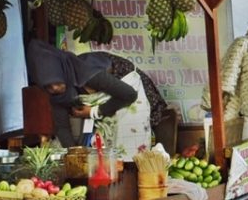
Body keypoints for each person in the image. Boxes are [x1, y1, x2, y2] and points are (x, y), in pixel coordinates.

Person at [25, 40, 169, 147]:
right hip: (107, 102)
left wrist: (94, 112)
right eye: (49, 86)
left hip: (129, 90)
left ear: (62, 71)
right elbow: (62, 127)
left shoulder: (86, 73)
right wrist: (76, 154)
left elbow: (129, 94)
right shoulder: (56, 94)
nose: (55, 88)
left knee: (127, 141)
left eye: (57, 82)